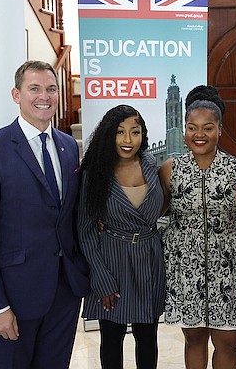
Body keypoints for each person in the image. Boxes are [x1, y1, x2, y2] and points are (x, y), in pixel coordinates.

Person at [0, 60, 89, 368]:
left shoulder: (68, 146)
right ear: (16, 95)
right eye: (34, 89)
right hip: (14, 297)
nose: (43, 96)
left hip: (64, 294)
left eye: (50, 89)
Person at [158, 88, 236, 369]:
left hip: (229, 269)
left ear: (220, 131)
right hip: (185, 267)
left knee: (228, 342)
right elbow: (155, 211)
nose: (199, 134)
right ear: (184, 130)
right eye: (192, 128)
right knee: (194, 339)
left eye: (208, 128)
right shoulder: (170, 169)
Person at [77, 104, 165, 368]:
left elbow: (164, 206)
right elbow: (85, 229)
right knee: (112, 338)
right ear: (108, 135)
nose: (128, 140)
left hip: (149, 259)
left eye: (135, 132)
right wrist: (100, 277)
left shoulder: (150, 163)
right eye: (120, 132)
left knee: (147, 336)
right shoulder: (94, 173)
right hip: (112, 260)